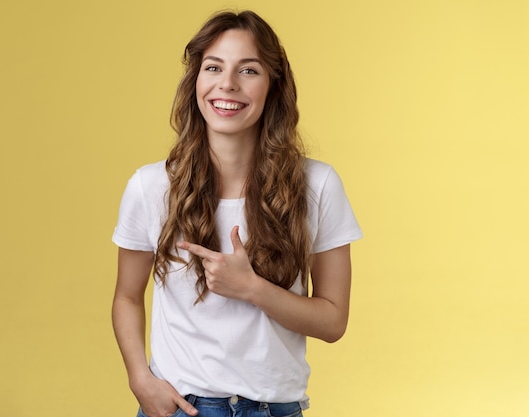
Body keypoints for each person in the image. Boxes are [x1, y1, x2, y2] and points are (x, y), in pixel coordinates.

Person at [112, 10, 362, 417]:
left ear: (273, 86)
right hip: (183, 408)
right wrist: (140, 380)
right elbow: (126, 296)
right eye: (213, 67)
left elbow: (333, 322)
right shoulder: (151, 186)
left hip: (275, 408)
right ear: (196, 80)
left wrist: (252, 288)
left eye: (248, 70)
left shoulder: (317, 185)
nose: (227, 84)